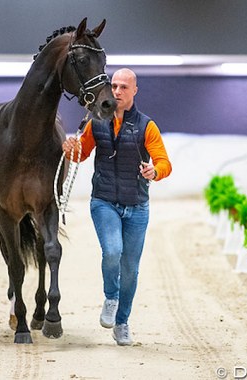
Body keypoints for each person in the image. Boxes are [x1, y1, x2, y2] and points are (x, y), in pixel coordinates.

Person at [62, 68, 172, 346]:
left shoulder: (147, 126)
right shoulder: (96, 121)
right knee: (112, 251)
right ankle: (111, 298)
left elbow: (164, 162)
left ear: (135, 91)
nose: (118, 91)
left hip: (137, 206)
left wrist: (154, 172)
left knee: (131, 268)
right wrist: (70, 147)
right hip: (104, 202)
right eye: (115, 86)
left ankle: (122, 322)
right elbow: (80, 155)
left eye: (124, 87)